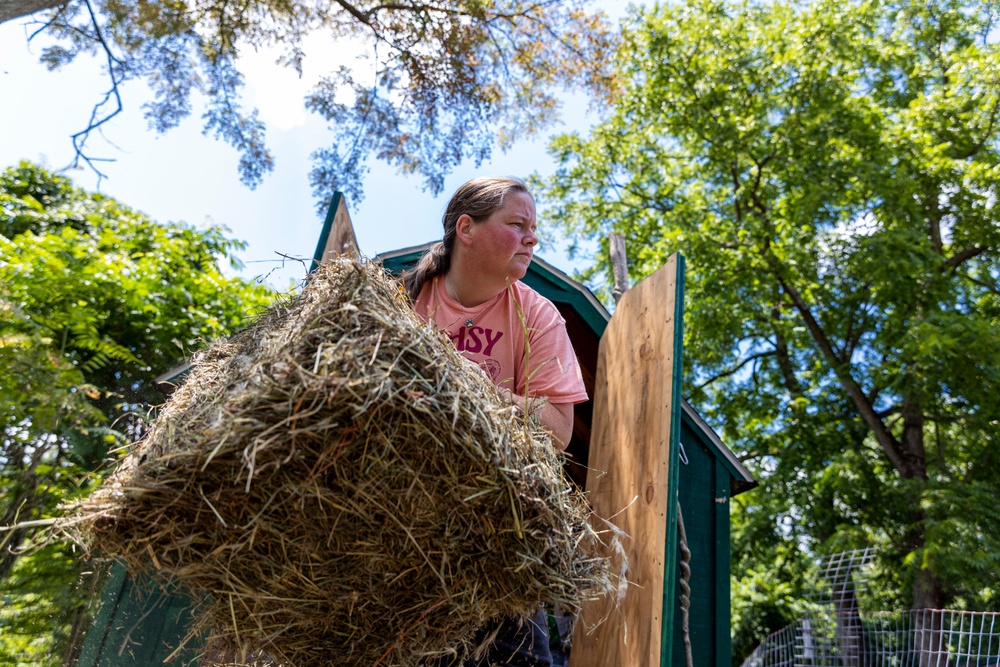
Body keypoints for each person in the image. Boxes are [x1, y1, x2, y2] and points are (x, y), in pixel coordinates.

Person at [406, 177, 588, 666]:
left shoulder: (538, 316)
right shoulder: (401, 302)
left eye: (534, 228)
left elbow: (558, 430)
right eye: (517, 225)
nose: (532, 237)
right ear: (467, 228)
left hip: (494, 537)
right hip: (400, 525)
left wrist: (478, 388)